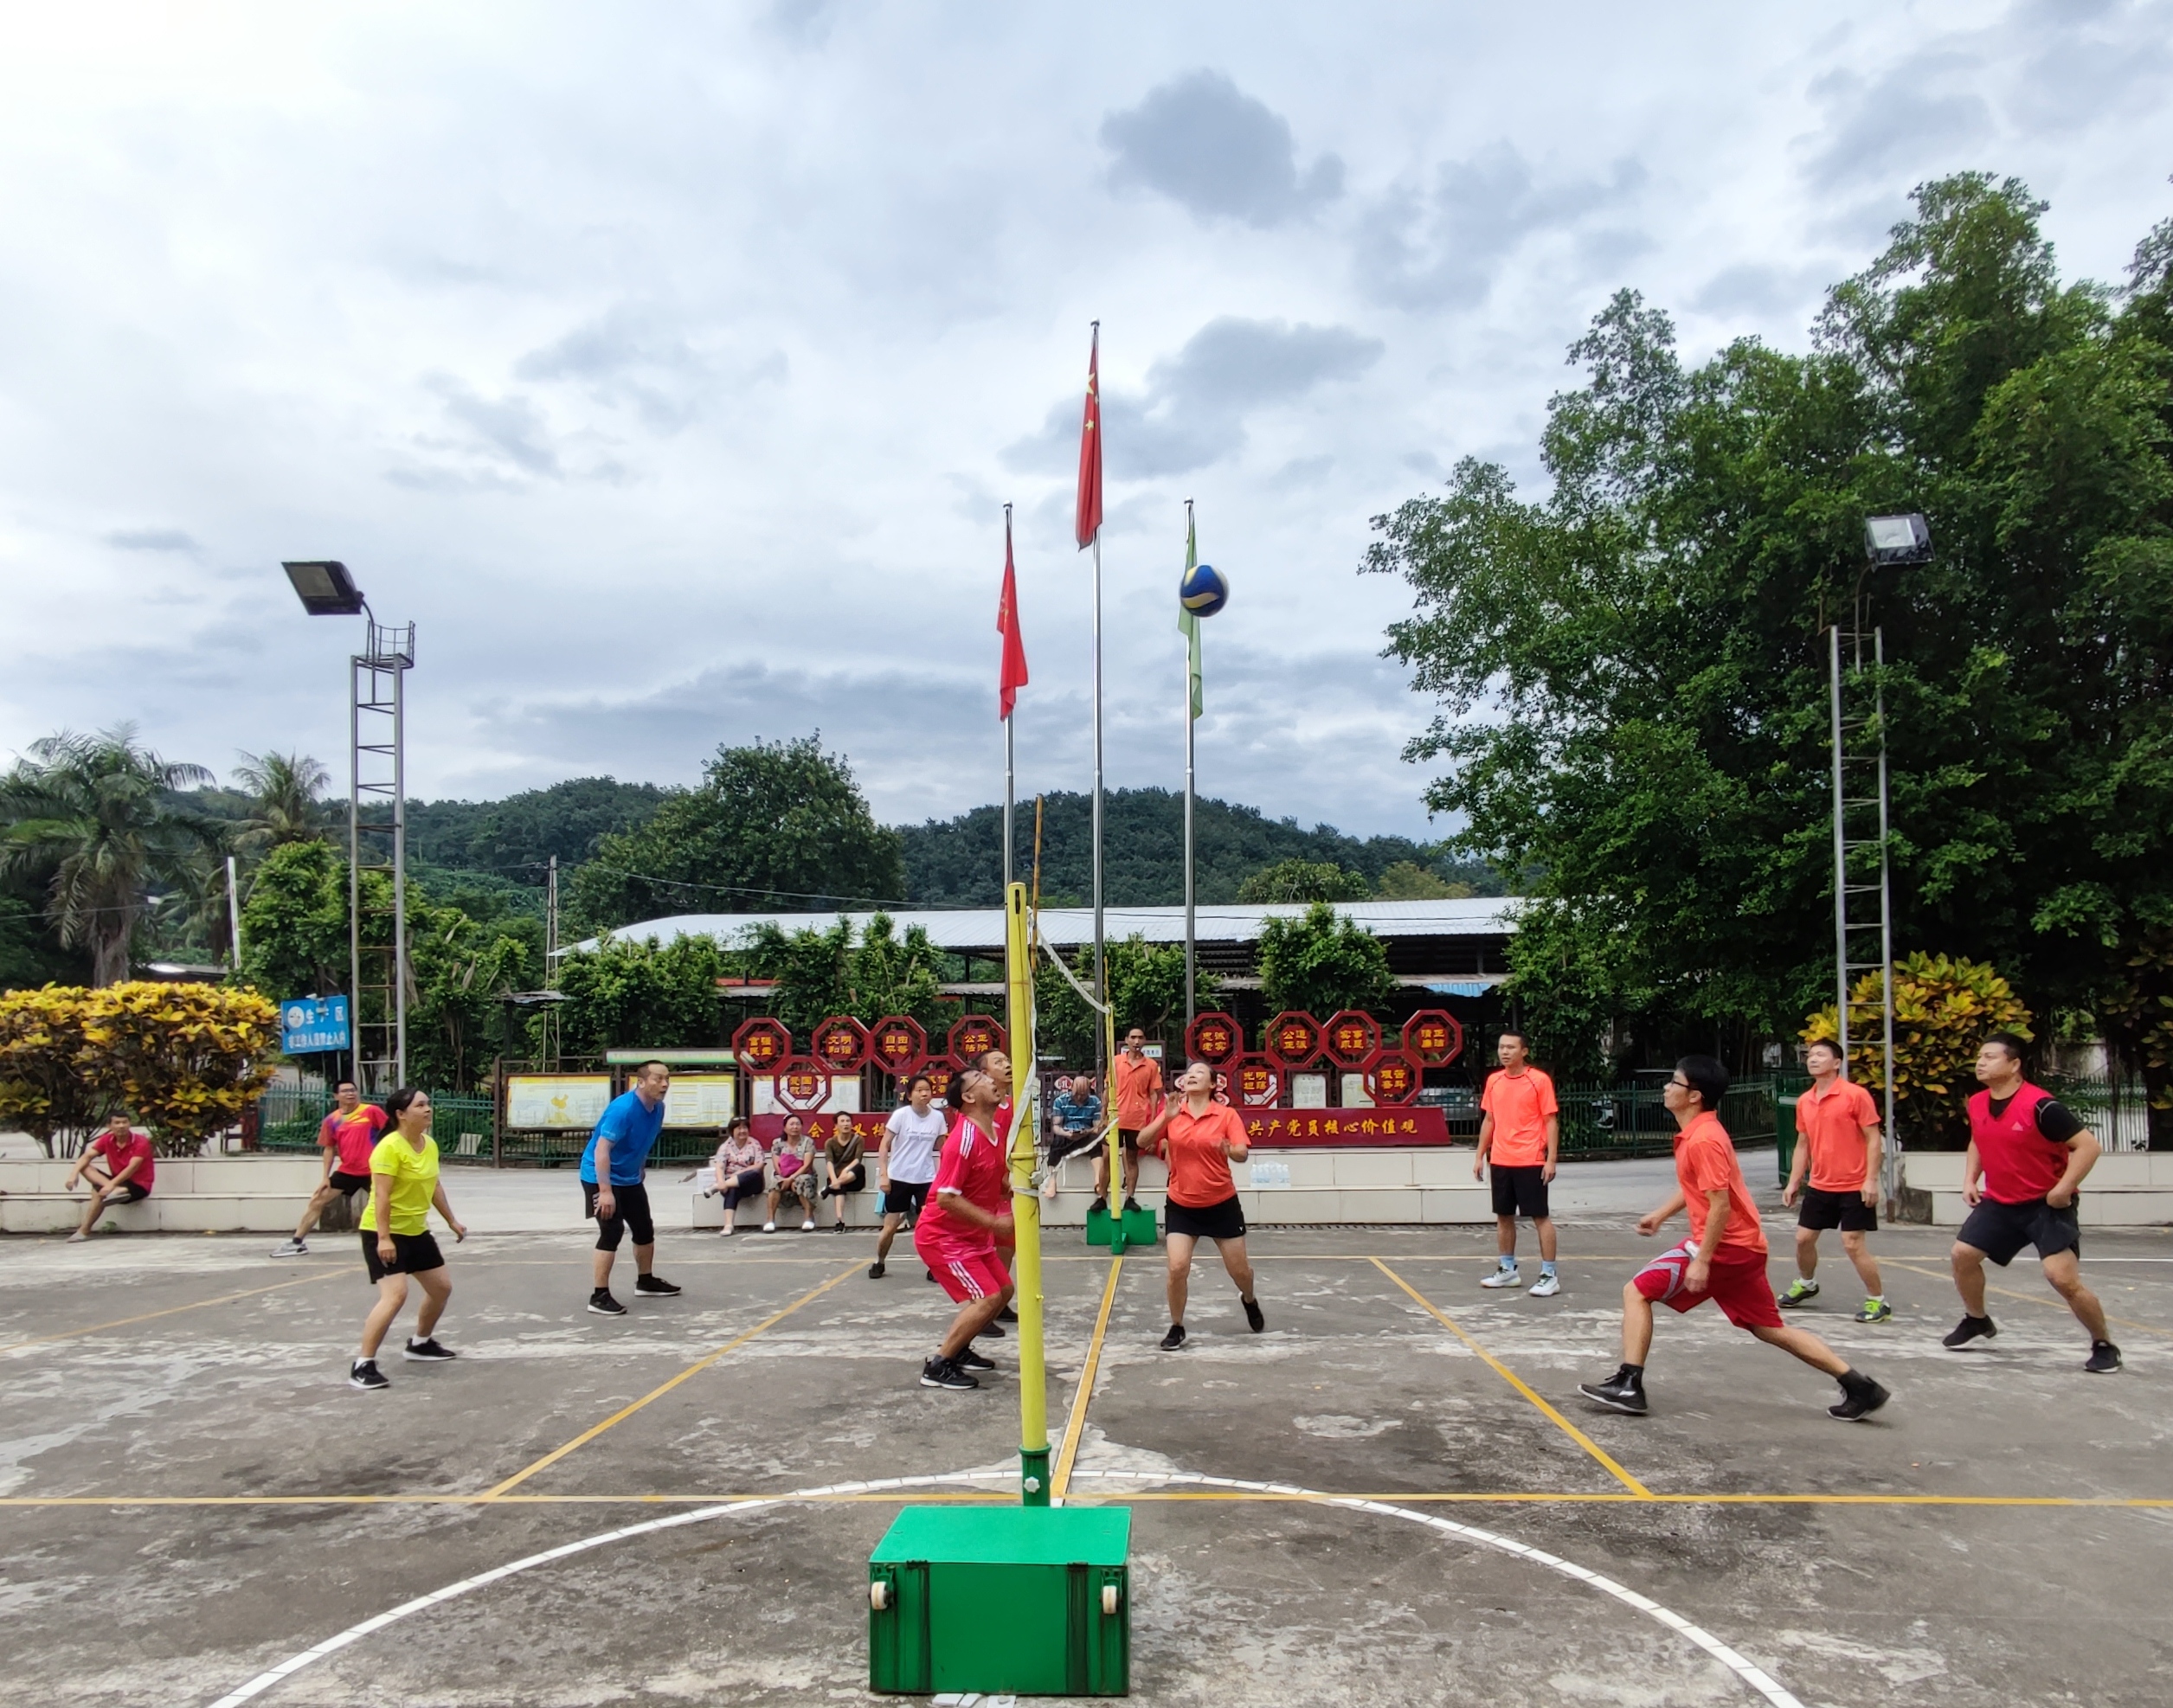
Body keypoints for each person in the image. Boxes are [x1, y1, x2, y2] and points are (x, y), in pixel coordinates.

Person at [1578, 1056, 1890, 1422]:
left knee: (1637, 1291)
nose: (1666, 1088)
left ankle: (1630, 1384)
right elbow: (1704, 1188)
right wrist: (1661, 1214)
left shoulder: (1704, 1140)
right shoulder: (1701, 1132)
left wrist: (1703, 1260)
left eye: (1673, 1083)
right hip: (1746, 1248)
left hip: (1727, 1247)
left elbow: (1720, 1206)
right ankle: (1858, 1385)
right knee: (1769, 1328)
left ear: (1694, 1095)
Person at [1945, 1033, 2119, 1373]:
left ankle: (2103, 1343)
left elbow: (2088, 1147)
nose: (1981, 1062)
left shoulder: (2042, 1106)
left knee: (2062, 1278)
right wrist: (1970, 1179)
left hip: (2045, 1204)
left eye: (1990, 1057)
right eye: (1979, 1056)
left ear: (2014, 1065)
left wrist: (2064, 1188)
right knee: (1962, 1255)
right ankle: (1977, 1320)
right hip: (2001, 1201)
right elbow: (1978, 1140)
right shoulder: (1978, 1102)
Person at [1135, 1059, 1264, 1349]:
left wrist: (1229, 1149)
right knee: (1177, 1267)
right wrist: (1165, 1119)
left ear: (1213, 1085)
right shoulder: (1173, 1113)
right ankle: (1177, 1326)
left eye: (1199, 1074)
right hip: (1181, 1204)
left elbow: (1242, 1153)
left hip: (1221, 1204)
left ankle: (1249, 1299)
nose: (1191, 1077)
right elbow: (1142, 1142)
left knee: (1240, 1272)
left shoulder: (1226, 1115)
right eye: (1189, 1074)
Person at [350, 1088, 469, 1390]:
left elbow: (434, 1185)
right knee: (395, 1295)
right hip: (384, 1232)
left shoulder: (428, 1144)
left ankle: (420, 1343)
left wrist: (451, 1220)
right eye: (420, 1105)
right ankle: (363, 1363)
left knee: (441, 1288)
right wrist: (385, 1238)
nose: (428, 1109)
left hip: (416, 1230)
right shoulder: (389, 1148)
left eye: (428, 1103)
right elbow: (382, 1198)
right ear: (401, 1114)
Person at [913, 1050, 1018, 1390]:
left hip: (972, 1236)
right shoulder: (963, 1139)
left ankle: (960, 1349)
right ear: (969, 1097)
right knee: (986, 1298)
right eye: (983, 1079)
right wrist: (994, 1222)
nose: (992, 1080)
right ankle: (939, 1365)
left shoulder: (994, 1133)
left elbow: (991, 1178)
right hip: (943, 1236)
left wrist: (1012, 1188)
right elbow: (946, 1197)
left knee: (1003, 1291)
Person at [1778, 1039, 1890, 1321]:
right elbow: (1803, 1144)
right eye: (1810, 1055)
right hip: (1819, 1184)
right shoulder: (1805, 1100)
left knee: (1852, 1243)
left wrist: (1871, 1180)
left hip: (1854, 1185)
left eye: (1820, 1055)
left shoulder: (1855, 1095)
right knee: (1803, 1239)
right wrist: (1794, 1182)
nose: (1813, 1059)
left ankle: (1878, 1301)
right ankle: (1807, 1283)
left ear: (1837, 1063)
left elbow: (1873, 1138)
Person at [579, 1062, 682, 1316]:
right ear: (642, 1082)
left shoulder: (657, 1109)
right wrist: (605, 1191)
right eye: (658, 1079)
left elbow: (643, 1141)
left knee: (644, 1228)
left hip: (630, 1177)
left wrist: (640, 1167)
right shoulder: (623, 1110)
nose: (665, 1084)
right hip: (599, 1175)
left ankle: (645, 1281)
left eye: (667, 1079)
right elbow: (602, 1150)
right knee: (612, 1231)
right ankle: (599, 1295)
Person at [1472, 1031, 1562, 1295]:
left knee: (1540, 1217)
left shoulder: (1538, 1081)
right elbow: (1489, 1120)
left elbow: (1550, 1121)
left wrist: (1551, 1159)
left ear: (1524, 1051)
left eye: (1511, 1047)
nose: (1505, 1052)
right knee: (1503, 1216)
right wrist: (1480, 1155)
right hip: (1500, 1159)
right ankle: (1507, 1270)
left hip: (1530, 1159)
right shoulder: (1494, 1081)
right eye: (1501, 1047)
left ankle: (1549, 1274)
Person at [273, 1080, 389, 1257]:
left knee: (393, 1203)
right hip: (348, 1171)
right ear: (336, 1096)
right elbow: (329, 1148)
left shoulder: (371, 1111)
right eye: (345, 1091)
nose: (350, 1094)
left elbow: (391, 1134)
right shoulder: (332, 1120)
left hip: (374, 1170)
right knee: (317, 1200)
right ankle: (297, 1243)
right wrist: (325, 1177)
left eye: (353, 1090)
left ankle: (416, 1237)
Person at [871, 1074, 944, 1280]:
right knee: (891, 1226)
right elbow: (884, 1145)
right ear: (910, 1095)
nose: (924, 1093)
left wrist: (946, 1176)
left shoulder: (938, 1117)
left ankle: (934, 1267)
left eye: (927, 1090)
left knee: (929, 1227)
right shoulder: (901, 1115)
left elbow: (943, 1148)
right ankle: (879, 1261)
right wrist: (884, 1175)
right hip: (899, 1177)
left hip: (926, 1178)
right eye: (919, 1090)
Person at [63, 1111, 154, 1242]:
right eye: (117, 1123)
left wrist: (110, 1185)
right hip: (116, 1183)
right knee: (85, 1167)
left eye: (125, 1122)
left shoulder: (141, 1142)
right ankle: (116, 1191)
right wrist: (73, 1175)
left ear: (130, 1124)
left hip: (138, 1185)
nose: (121, 1126)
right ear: (109, 1126)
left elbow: (132, 1168)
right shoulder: (107, 1140)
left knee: (98, 1193)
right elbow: (87, 1156)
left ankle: (84, 1230)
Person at [1102, 1027, 1161, 1217]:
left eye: (1140, 1038)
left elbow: (1153, 1095)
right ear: (1126, 1040)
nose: (1136, 1041)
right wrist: (1102, 1115)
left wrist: (1151, 1124)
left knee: (1131, 1159)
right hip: (1115, 1118)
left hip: (1137, 1119)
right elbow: (1107, 1089)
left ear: (1145, 1041)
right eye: (1133, 1037)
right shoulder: (1116, 1062)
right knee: (1106, 1157)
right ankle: (1101, 1197)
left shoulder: (1151, 1065)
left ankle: (1130, 1197)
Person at [704, 1116, 766, 1236]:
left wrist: (739, 1173)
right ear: (732, 1131)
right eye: (739, 1128)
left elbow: (759, 1165)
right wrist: (721, 1180)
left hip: (752, 1183)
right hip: (731, 1183)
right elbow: (720, 1166)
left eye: (745, 1128)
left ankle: (715, 1187)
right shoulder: (725, 1146)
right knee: (732, 1189)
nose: (742, 1131)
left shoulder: (754, 1144)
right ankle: (728, 1225)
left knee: (753, 1173)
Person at [765, 1114, 818, 1232]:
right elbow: (776, 1164)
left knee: (802, 1181)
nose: (795, 1127)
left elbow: (807, 1165)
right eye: (792, 1124)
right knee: (775, 1183)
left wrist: (792, 1178)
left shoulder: (808, 1142)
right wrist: (785, 1178)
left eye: (798, 1124)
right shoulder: (777, 1143)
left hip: (804, 1174)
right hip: (783, 1175)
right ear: (785, 1128)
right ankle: (770, 1220)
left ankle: (809, 1218)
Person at [821, 1112, 867, 1231]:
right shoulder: (830, 1142)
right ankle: (840, 1221)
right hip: (837, 1178)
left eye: (848, 1121)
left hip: (854, 1177)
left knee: (859, 1168)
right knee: (839, 1187)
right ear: (836, 1126)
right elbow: (829, 1162)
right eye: (842, 1121)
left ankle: (829, 1188)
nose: (846, 1124)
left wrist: (846, 1170)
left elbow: (858, 1159)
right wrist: (834, 1179)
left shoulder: (858, 1139)